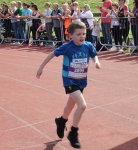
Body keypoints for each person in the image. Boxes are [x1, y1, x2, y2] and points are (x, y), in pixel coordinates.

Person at [36, 21, 101, 149]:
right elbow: (51, 55)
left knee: (70, 106)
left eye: (84, 34)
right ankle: (73, 133)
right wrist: (41, 67)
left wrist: (96, 62)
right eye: (78, 34)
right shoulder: (67, 47)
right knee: (82, 106)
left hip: (81, 80)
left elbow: (94, 55)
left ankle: (61, 121)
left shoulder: (87, 45)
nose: (82, 36)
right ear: (70, 35)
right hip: (69, 80)